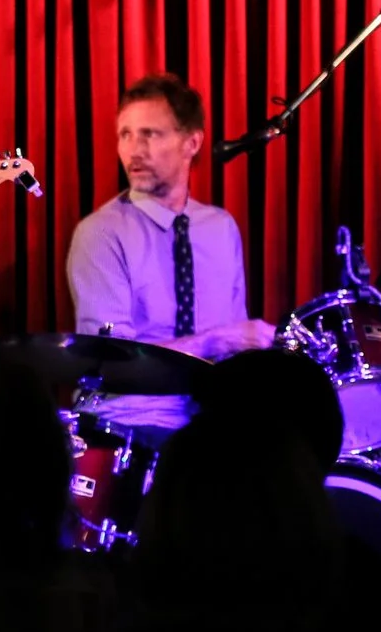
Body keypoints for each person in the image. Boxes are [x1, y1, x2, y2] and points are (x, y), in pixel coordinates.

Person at [64, 73, 271, 433]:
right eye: (125, 135)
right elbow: (112, 365)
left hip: (212, 417)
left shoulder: (221, 228)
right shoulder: (100, 233)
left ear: (191, 142)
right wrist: (212, 342)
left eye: (150, 134)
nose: (134, 149)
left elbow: (236, 346)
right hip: (130, 422)